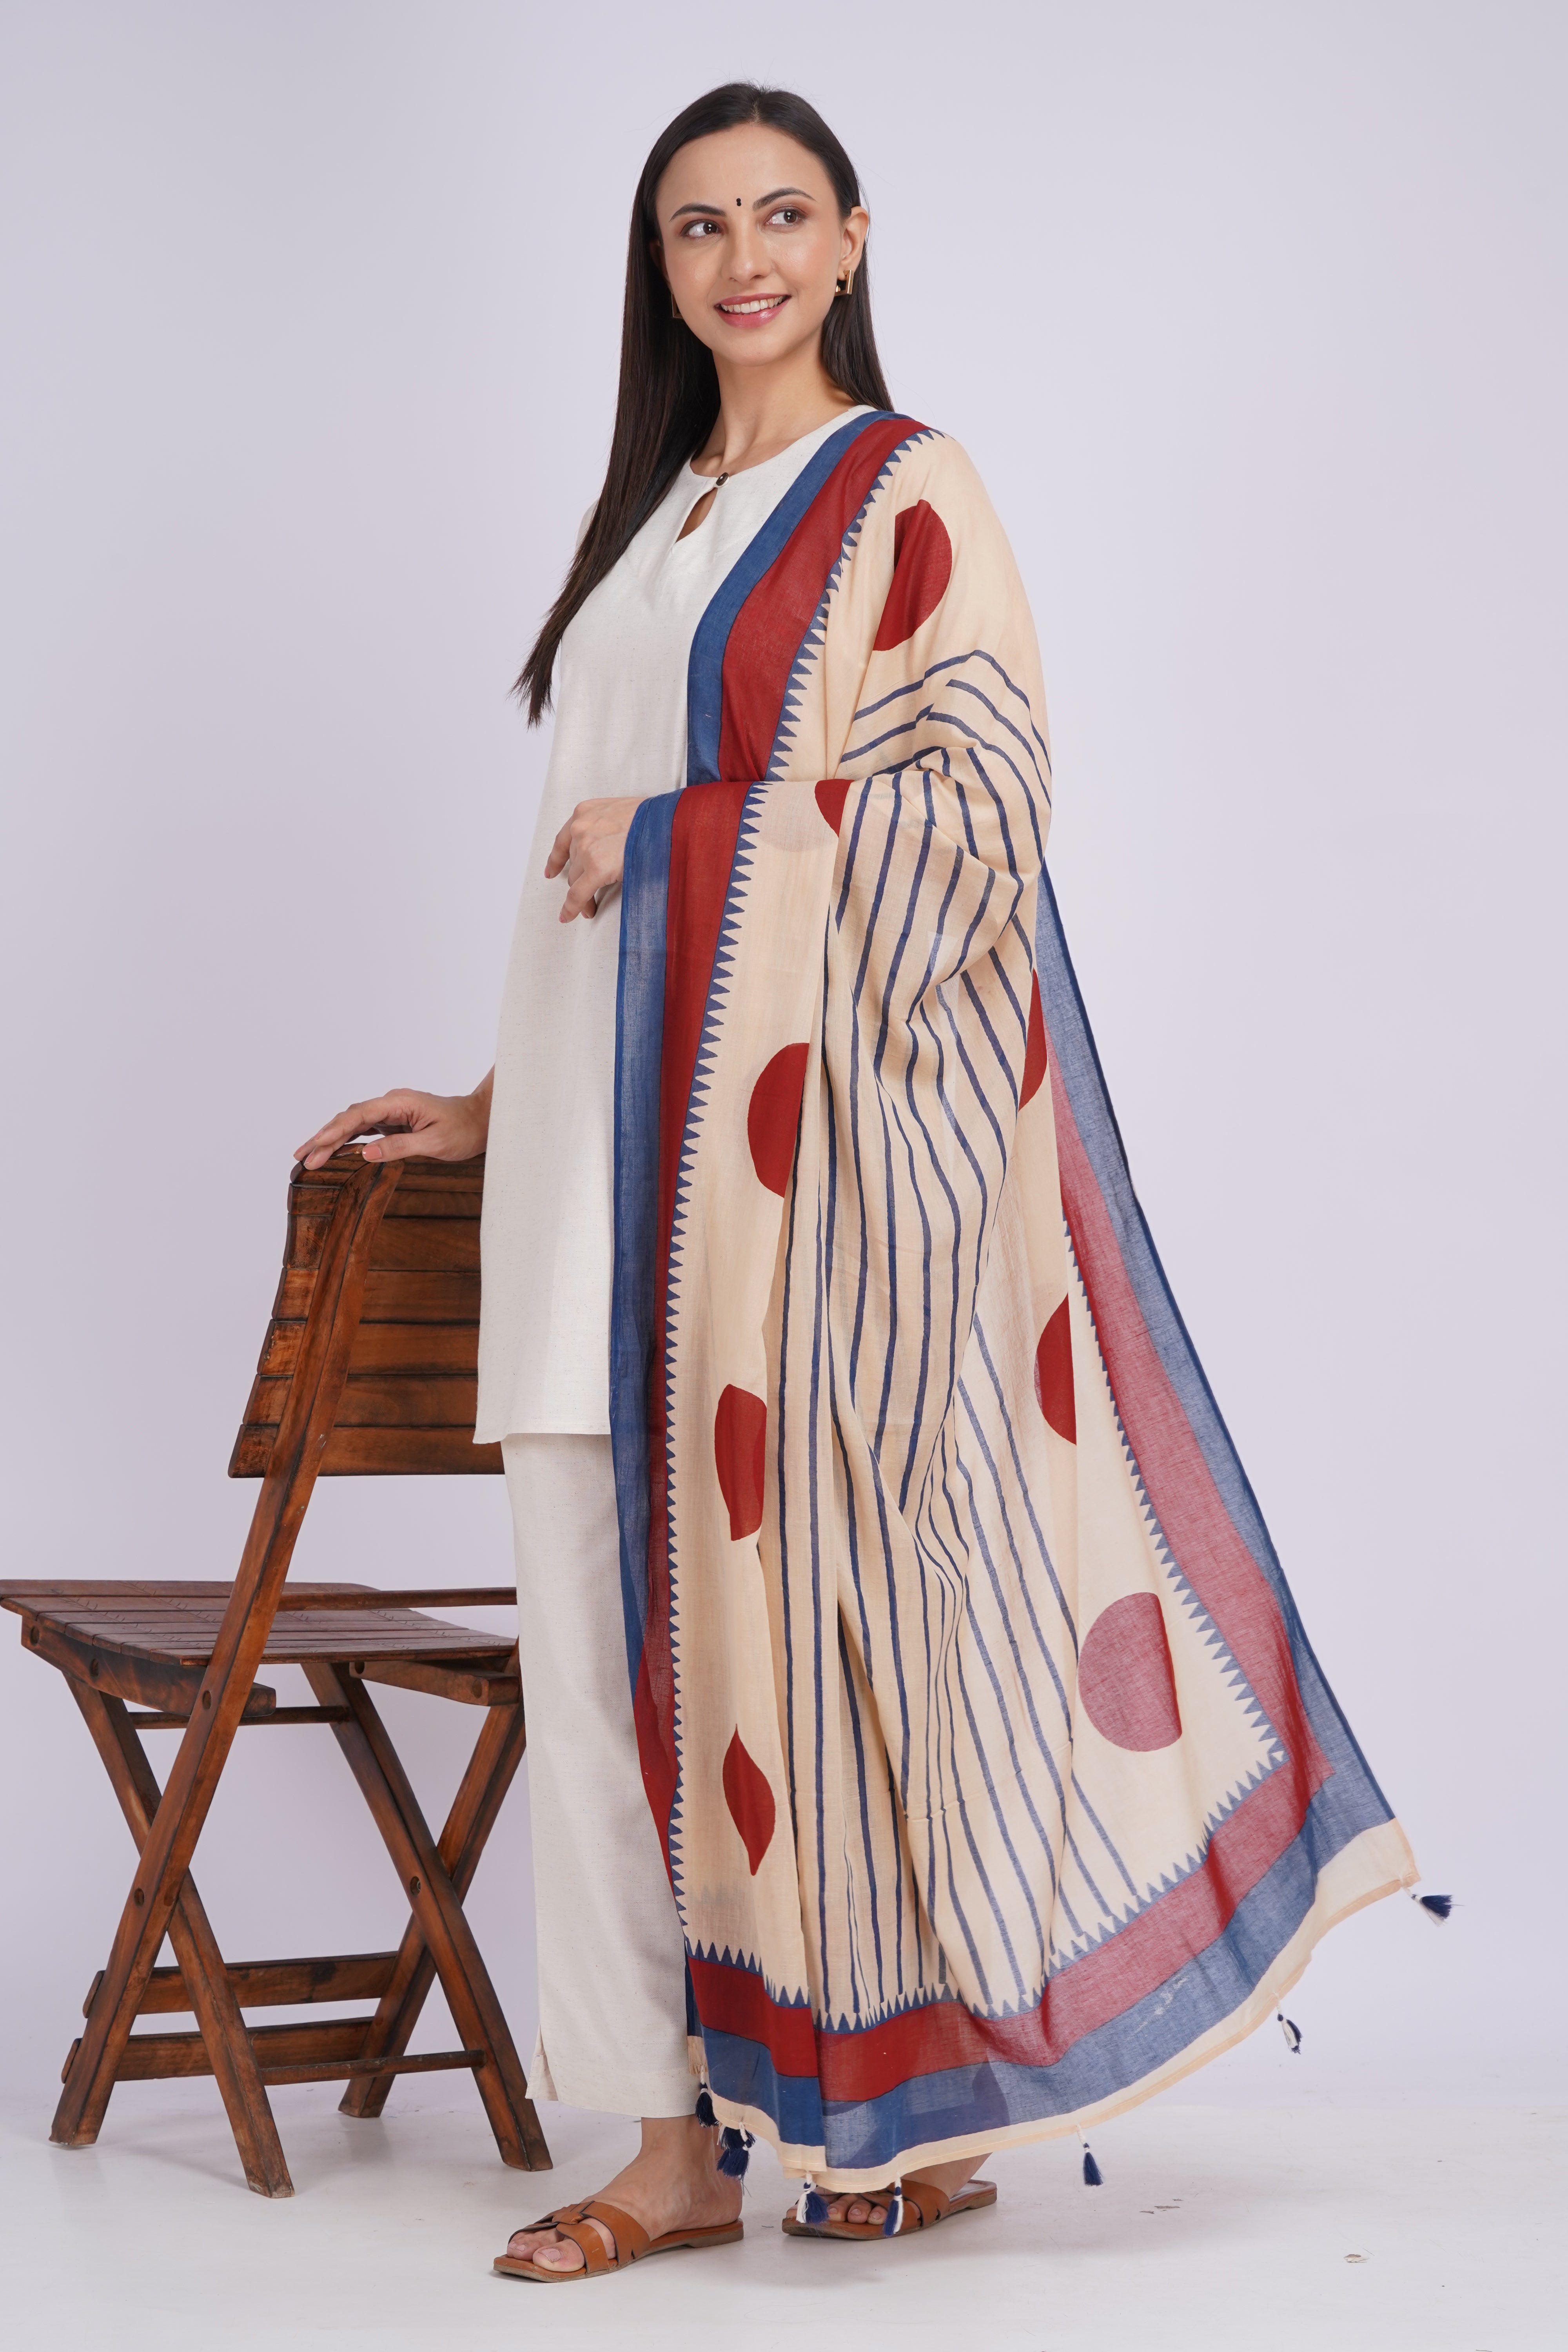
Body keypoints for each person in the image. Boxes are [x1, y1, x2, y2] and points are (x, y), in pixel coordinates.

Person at [296, 82, 1417, 2285]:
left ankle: (890, 2105)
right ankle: (673, 2147)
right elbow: (589, 890)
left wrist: (689, 838)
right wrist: (497, 1097)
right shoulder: (655, 522)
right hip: (591, 1188)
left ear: (853, 237)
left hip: (788, 1209)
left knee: (824, 1648)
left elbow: (980, 811)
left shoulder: (906, 488)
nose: (744, 260)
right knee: (608, 1657)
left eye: (782, 214)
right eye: (699, 226)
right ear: (661, 267)